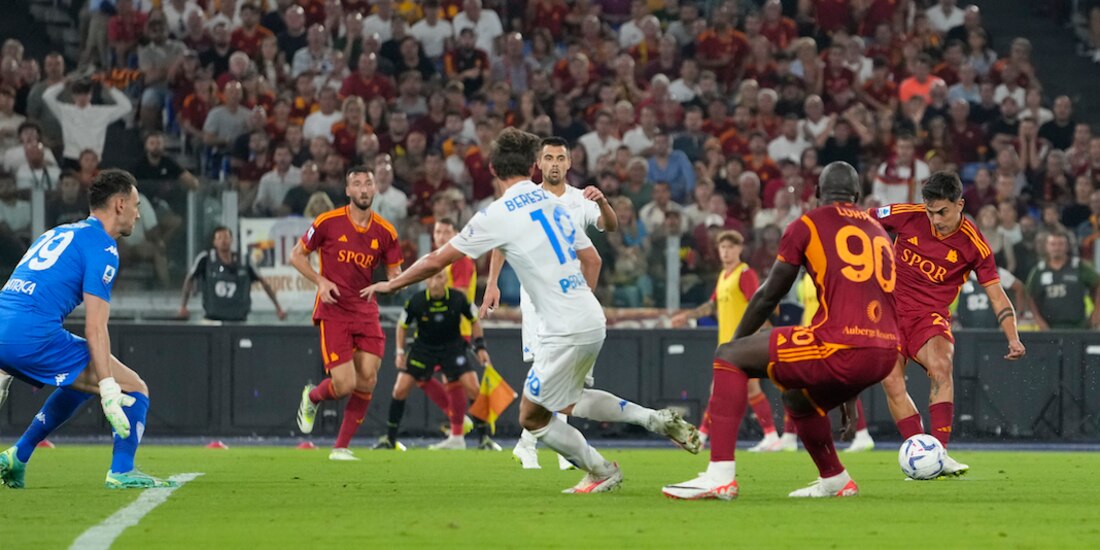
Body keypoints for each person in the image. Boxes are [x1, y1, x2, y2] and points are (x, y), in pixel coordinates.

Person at [364, 128, 698, 494]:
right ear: (532, 166)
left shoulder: (495, 214)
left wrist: (391, 284)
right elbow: (592, 257)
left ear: (492, 169)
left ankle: (602, 470)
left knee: (531, 416)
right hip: (590, 316)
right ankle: (653, 419)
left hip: (562, 328)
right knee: (570, 400)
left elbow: (435, 260)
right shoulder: (557, 204)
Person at [662, 162, 899, 500]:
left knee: (729, 356)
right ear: (857, 196)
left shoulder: (808, 224)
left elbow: (769, 294)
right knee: (796, 397)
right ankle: (835, 478)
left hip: (842, 345)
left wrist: (735, 346)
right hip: (885, 352)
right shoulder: (877, 229)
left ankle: (720, 476)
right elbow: (863, 313)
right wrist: (850, 393)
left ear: (816, 193)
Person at [0, 169, 175, 489]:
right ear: (120, 205)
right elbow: (96, 326)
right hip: (32, 336)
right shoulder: (103, 248)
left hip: (5, 327)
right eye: (136, 205)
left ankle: (17, 456)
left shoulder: (57, 232)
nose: (138, 214)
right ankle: (122, 471)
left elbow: (17, 290)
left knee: (80, 383)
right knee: (134, 388)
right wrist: (109, 386)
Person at [871, 172, 1026, 477]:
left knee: (942, 365)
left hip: (929, 316)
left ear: (960, 205)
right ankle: (922, 456)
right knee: (891, 382)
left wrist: (1014, 337)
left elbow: (997, 295)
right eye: (930, 212)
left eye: (942, 212)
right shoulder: (908, 216)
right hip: (888, 310)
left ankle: (939, 454)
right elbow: (860, 222)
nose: (935, 219)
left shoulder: (974, 245)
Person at [484, 136, 620, 471]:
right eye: (548, 158)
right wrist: (492, 284)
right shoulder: (525, 198)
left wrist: (603, 202)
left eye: (561, 157)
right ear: (538, 164)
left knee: (567, 373)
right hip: (538, 295)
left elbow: (611, 227)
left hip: (572, 297)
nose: (555, 163)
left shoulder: (580, 199)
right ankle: (536, 443)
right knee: (551, 363)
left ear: (569, 163)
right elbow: (501, 241)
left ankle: (539, 443)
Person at [291, 166, 404, 461]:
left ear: (375, 189)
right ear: (348, 191)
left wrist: (387, 284)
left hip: (366, 309)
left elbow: (396, 274)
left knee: (368, 379)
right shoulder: (328, 222)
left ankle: (340, 447)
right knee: (345, 385)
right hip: (334, 310)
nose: (364, 189)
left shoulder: (386, 231)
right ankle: (313, 396)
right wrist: (320, 280)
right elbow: (296, 255)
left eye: (368, 183)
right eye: (357, 184)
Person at [670, 230, 793, 452]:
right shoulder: (723, 276)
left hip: (743, 344)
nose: (726, 251)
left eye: (730, 247)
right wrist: (686, 316)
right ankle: (771, 435)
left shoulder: (745, 274)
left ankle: (702, 436)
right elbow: (711, 306)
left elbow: (758, 305)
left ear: (739, 249)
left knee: (720, 389)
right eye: (722, 247)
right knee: (747, 390)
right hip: (728, 345)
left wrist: (766, 335)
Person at [377, 270, 497, 451]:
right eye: (431, 277)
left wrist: (480, 347)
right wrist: (400, 351)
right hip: (423, 349)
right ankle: (390, 440)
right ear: (426, 280)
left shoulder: (458, 298)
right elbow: (402, 326)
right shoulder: (416, 301)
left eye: (439, 277)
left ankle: (484, 439)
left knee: (473, 387)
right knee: (400, 389)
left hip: (452, 348)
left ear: (446, 280)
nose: (434, 282)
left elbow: (474, 320)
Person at [178, 226, 287, 322]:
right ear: (214, 242)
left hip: (239, 319)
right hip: (212, 318)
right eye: (219, 238)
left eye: (226, 237)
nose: (223, 241)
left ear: (232, 240)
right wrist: (183, 306)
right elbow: (190, 279)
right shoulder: (205, 259)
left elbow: (264, 283)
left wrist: (278, 307)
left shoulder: (245, 260)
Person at [1025, 231, 1100, 330]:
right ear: (1047, 247)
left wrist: (1097, 311)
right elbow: (1029, 296)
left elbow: (1098, 283)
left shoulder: (1078, 266)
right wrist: (1038, 320)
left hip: (1078, 327)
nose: (1057, 248)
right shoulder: (1039, 270)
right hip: (1049, 329)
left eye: (1061, 244)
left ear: (1067, 247)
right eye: (1053, 244)